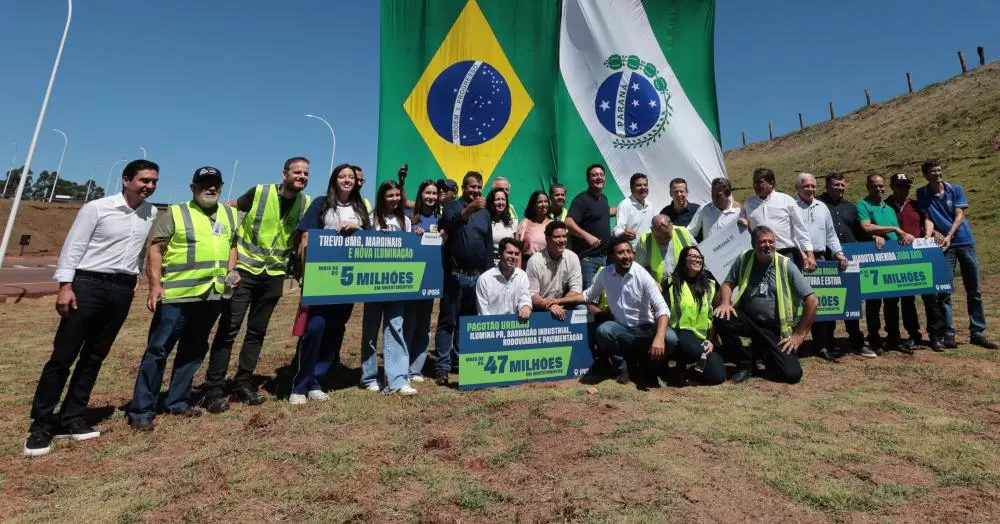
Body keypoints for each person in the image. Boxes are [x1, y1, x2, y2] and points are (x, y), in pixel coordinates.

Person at [23, 160, 160, 457]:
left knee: (95, 356)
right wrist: (65, 286)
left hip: (121, 290)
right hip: (88, 284)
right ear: (126, 180)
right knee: (63, 356)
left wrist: (135, 280)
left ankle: (72, 417)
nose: (149, 186)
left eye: (154, 182)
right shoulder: (97, 208)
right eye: (144, 180)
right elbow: (73, 246)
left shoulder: (150, 213)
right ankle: (42, 424)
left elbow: (140, 251)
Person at [127, 167, 238, 430]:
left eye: (216, 184)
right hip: (176, 297)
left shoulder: (229, 214)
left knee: (194, 350)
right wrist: (155, 286)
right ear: (193, 188)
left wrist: (230, 270)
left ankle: (178, 401)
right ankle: (142, 410)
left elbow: (232, 244)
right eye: (205, 184)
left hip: (211, 296)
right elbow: (156, 249)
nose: (211, 188)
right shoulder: (176, 213)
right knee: (158, 351)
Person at [202, 157, 310, 414]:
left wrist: (301, 269)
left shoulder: (305, 203)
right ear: (284, 174)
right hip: (243, 272)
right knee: (228, 329)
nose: (302, 177)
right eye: (297, 172)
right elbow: (230, 208)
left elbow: (298, 238)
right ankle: (214, 389)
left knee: (257, 332)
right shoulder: (259, 192)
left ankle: (243, 383)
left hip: (274, 275)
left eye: (306, 173)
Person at [288, 164, 371, 404]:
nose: (347, 180)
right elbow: (305, 236)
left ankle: (317, 381)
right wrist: (304, 272)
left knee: (334, 330)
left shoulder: (360, 207)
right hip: (322, 278)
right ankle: (299, 385)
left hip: (348, 280)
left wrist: (358, 228)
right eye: (342, 176)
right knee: (314, 329)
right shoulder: (321, 203)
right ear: (335, 180)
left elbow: (369, 238)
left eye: (351, 177)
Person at [556, 235, 669, 386]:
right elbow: (587, 295)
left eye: (629, 251)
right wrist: (558, 301)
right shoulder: (605, 273)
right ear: (612, 257)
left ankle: (650, 371)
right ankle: (622, 368)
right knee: (603, 331)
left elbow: (662, 308)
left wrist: (659, 338)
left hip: (646, 329)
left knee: (670, 339)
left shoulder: (642, 274)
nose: (626, 256)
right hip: (622, 329)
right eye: (621, 252)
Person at [714, 226, 817, 384]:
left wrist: (799, 334)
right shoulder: (744, 258)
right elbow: (727, 284)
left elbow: (812, 301)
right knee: (721, 317)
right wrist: (725, 303)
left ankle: (762, 352)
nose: (767, 245)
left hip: (775, 328)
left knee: (791, 374)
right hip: (749, 320)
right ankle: (745, 363)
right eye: (762, 242)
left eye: (771, 242)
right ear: (753, 244)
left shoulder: (786, 264)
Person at [917, 160, 997, 349]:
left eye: (939, 170)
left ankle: (977, 332)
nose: (937, 174)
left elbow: (959, 215)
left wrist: (949, 235)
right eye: (933, 171)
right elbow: (928, 218)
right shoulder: (922, 193)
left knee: (974, 289)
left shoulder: (955, 189)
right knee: (944, 290)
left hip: (964, 242)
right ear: (925, 175)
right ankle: (949, 332)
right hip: (944, 247)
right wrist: (928, 236)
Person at [435, 171, 494, 386]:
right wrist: (469, 209)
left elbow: (488, 246)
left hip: (477, 276)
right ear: (463, 187)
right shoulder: (452, 205)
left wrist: (488, 274)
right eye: (472, 187)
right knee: (448, 322)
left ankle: (459, 362)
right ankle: (441, 367)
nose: (476, 191)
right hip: (455, 275)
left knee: (466, 322)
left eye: (479, 187)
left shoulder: (485, 213)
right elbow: (446, 223)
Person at [359, 181, 416, 395]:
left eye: (397, 195)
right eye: (390, 195)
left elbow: (410, 248)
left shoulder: (405, 221)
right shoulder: (370, 218)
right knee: (370, 329)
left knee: (396, 327)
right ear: (382, 197)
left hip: (398, 281)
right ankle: (369, 377)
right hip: (374, 282)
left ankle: (397, 379)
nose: (395, 199)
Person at [856, 172, 915, 355]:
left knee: (892, 302)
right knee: (874, 302)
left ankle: (894, 338)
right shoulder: (863, 204)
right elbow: (866, 226)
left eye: (881, 186)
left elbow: (895, 236)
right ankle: (874, 338)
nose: (879, 189)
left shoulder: (888, 208)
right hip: (873, 259)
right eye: (874, 186)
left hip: (892, 259)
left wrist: (905, 236)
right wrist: (893, 229)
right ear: (868, 187)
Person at [888, 173, 946, 351]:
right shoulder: (886, 206)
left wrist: (930, 234)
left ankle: (936, 335)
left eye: (906, 185)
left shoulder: (915, 204)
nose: (903, 189)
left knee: (930, 297)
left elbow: (927, 220)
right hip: (898, 257)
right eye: (899, 185)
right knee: (907, 299)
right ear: (892, 187)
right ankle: (913, 334)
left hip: (920, 255)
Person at [793, 173, 848, 361]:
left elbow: (831, 234)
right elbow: (789, 233)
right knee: (797, 305)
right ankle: (795, 345)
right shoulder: (790, 206)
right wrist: (802, 255)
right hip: (798, 259)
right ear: (797, 188)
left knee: (821, 304)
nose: (810, 189)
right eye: (806, 186)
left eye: (813, 186)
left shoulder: (822, 207)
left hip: (821, 259)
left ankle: (823, 345)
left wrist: (838, 253)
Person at [817, 172, 870, 356]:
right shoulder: (817, 205)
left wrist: (875, 239)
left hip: (848, 260)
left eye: (842, 184)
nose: (840, 188)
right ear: (827, 186)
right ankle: (828, 342)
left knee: (851, 301)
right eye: (836, 184)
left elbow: (860, 233)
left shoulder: (850, 207)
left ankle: (857, 341)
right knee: (828, 303)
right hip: (825, 259)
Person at [664, 246, 725, 385]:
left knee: (718, 376)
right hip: (679, 333)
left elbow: (716, 316)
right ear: (683, 260)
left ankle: (691, 370)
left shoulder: (710, 285)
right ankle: (677, 367)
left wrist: (711, 340)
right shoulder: (671, 283)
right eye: (692, 256)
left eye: (699, 257)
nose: (697, 260)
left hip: (703, 338)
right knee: (692, 349)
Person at [740, 168, 815, 271]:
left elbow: (801, 228)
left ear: (771, 183)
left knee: (788, 281)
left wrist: (809, 254)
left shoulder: (786, 200)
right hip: (761, 255)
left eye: (760, 182)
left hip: (786, 253)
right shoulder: (749, 203)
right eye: (754, 183)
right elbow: (741, 220)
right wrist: (742, 219)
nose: (756, 186)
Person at [404, 179, 442, 382]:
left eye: (434, 193)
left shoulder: (440, 219)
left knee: (424, 325)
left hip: (431, 279)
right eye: (428, 192)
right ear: (421, 195)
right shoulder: (411, 217)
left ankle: (415, 368)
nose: (431, 197)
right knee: (409, 323)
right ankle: (402, 366)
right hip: (411, 278)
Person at [565, 164, 612, 290]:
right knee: (588, 297)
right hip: (588, 260)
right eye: (595, 175)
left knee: (603, 297)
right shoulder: (581, 200)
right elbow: (568, 222)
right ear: (588, 179)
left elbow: (606, 212)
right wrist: (587, 236)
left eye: (601, 175)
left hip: (605, 258)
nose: (599, 177)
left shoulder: (604, 199)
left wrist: (627, 207)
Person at [526, 220, 582, 320]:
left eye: (564, 236)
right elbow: (532, 294)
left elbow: (576, 289)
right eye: (557, 237)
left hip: (564, 303)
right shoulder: (535, 261)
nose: (562, 240)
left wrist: (559, 302)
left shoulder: (573, 257)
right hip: (540, 307)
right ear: (547, 239)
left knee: (582, 308)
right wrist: (550, 305)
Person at [476, 237, 532, 318]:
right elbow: (483, 312)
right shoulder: (484, 279)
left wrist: (525, 307)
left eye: (516, 254)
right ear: (500, 254)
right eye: (510, 253)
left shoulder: (522, 276)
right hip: (491, 324)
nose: (513, 257)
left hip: (517, 323)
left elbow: (525, 299)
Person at [637, 214, 697, 283]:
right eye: (659, 237)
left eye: (667, 237)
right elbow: (639, 269)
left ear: (672, 226)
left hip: (684, 282)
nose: (663, 240)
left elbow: (698, 256)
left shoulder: (683, 233)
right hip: (658, 286)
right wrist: (652, 282)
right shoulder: (644, 241)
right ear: (652, 230)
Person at [687, 177, 740, 241]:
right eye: (712, 195)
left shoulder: (738, 212)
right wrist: (694, 245)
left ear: (728, 194)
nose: (714, 198)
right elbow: (690, 232)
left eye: (718, 195)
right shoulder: (704, 209)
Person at [613, 173, 655, 251]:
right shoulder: (624, 205)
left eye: (645, 185)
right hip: (633, 252)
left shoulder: (650, 204)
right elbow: (617, 230)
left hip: (650, 250)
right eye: (639, 185)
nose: (643, 187)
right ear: (631, 188)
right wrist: (624, 234)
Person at [515, 190, 552, 260]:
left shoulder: (552, 225)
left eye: (546, 201)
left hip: (547, 264)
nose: (544, 205)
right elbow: (517, 248)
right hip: (527, 263)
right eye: (540, 202)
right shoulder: (525, 223)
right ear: (533, 205)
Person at [487, 187, 517, 263]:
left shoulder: (513, 222)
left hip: (508, 263)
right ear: (491, 202)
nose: (501, 202)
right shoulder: (486, 221)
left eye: (503, 199)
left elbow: (517, 248)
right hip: (490, 263)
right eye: (497, 199)